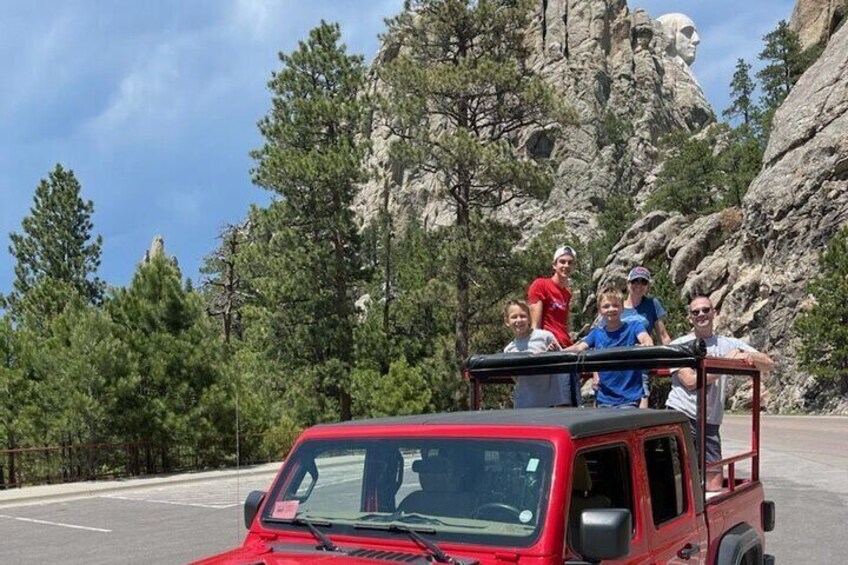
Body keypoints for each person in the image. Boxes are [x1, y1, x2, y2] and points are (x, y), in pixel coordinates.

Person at [666, 296, 775, 491]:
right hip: (682, 416)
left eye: (706, 310)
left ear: (714, 313)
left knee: (714, 484)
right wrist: (726, 364)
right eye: (696, 312)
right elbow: (690, 381)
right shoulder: (679, 345)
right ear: (689, 318)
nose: (701, 315)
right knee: (680, 478)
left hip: (710, 422)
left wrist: (747, 355)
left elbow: (768, 363)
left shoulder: (727, 343)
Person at [567, 287, 653, 407]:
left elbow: (645, 338)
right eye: (606, 306)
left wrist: (646, 343)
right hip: (605, 398)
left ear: (622, 308)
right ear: (600, 310)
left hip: (629, 397)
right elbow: (579, 348)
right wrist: (557, 351)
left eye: (615, 305)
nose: (611, 309)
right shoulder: (596, 333)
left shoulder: (634, 327)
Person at [503, 300, 580, 407]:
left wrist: (551, 354)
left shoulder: (545, 337)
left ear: (529, 317)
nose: (519, 320)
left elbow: (562, 369)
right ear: (507, 321)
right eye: (514, 317)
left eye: (523, 316)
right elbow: (516, 378)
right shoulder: (508, 350)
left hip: (551, 401)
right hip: (526, 402)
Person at [528, 245, 575, 348]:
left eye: (570, 263)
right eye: (562, 262)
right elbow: (535, 325)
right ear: (554, 265)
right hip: (549, 345)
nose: (566, 266)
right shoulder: (540, 285)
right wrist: (538, 345)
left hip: (565, 344)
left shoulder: (567, 294)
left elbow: (563, 323)